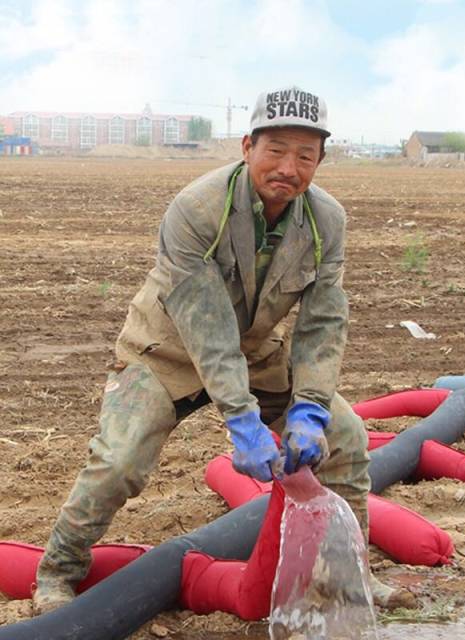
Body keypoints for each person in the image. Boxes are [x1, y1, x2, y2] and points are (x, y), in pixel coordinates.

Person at [33, 86, 415, 615]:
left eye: (305, 155)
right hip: (165, 352)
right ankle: (57, 571)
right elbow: (207, 330)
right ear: (246, 147)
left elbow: (324, 320)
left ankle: (348, 579)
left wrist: (310, 405)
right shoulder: (197, 209)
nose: (289, 167)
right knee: (119, 461)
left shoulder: (327, 221)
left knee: (344, 436)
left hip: (256, 350)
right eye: (276, 149)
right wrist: (242, 419)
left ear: (321, 161)